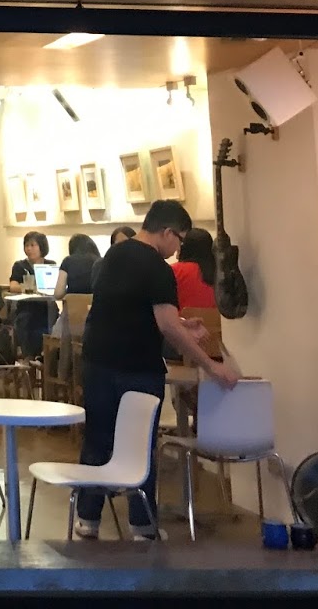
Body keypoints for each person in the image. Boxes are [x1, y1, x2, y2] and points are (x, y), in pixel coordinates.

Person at [75, 200, 240, 540]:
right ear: (167, 232)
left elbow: (130, 309)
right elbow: (165, 326)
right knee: (140, 445)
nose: (177, 249)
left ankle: (87, 519)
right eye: (179, 239)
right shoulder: (157, 267)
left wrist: (182, 323)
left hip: (97, 362)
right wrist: (211, 365)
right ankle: (142, 524)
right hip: (138, 367)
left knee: (97, 440)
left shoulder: (113, 256)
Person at [7, 231, 51, 356]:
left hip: (47, 308)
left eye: (32, 245)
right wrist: (28, 287)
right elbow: (13, 286)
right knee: (26, 321)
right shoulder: (20, 266)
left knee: (56, 323)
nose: (29, 249)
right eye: (27, 245)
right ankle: (30, 356)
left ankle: (46, 358)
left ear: (42, 246)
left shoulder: (50, 265)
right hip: (26, 308)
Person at [172, 226, 218, 310]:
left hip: (181, 318)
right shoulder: (219, 272)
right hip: (216, 318)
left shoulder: (173, 271)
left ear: (184, 247)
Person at [57, 233, 101, 299]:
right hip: (95, 304)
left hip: (73, 304)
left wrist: (69, 292)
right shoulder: (100, 261)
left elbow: (58, 294)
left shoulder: (67, 261)